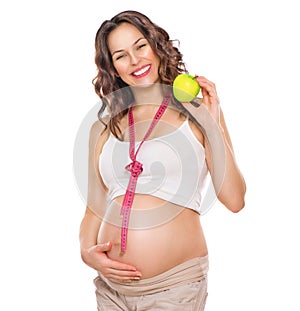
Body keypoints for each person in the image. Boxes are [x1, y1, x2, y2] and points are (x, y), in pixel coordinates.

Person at [79, 10, 246, 311]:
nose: (134, 61)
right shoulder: (103, 127)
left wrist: (211, 122)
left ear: (156, 45)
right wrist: (85, 251)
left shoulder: (198, 113)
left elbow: (234, 199)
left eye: (140, 46)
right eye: (121, 55)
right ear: (113, 68)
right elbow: (94, 208)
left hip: (174, 287)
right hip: (111, 290)